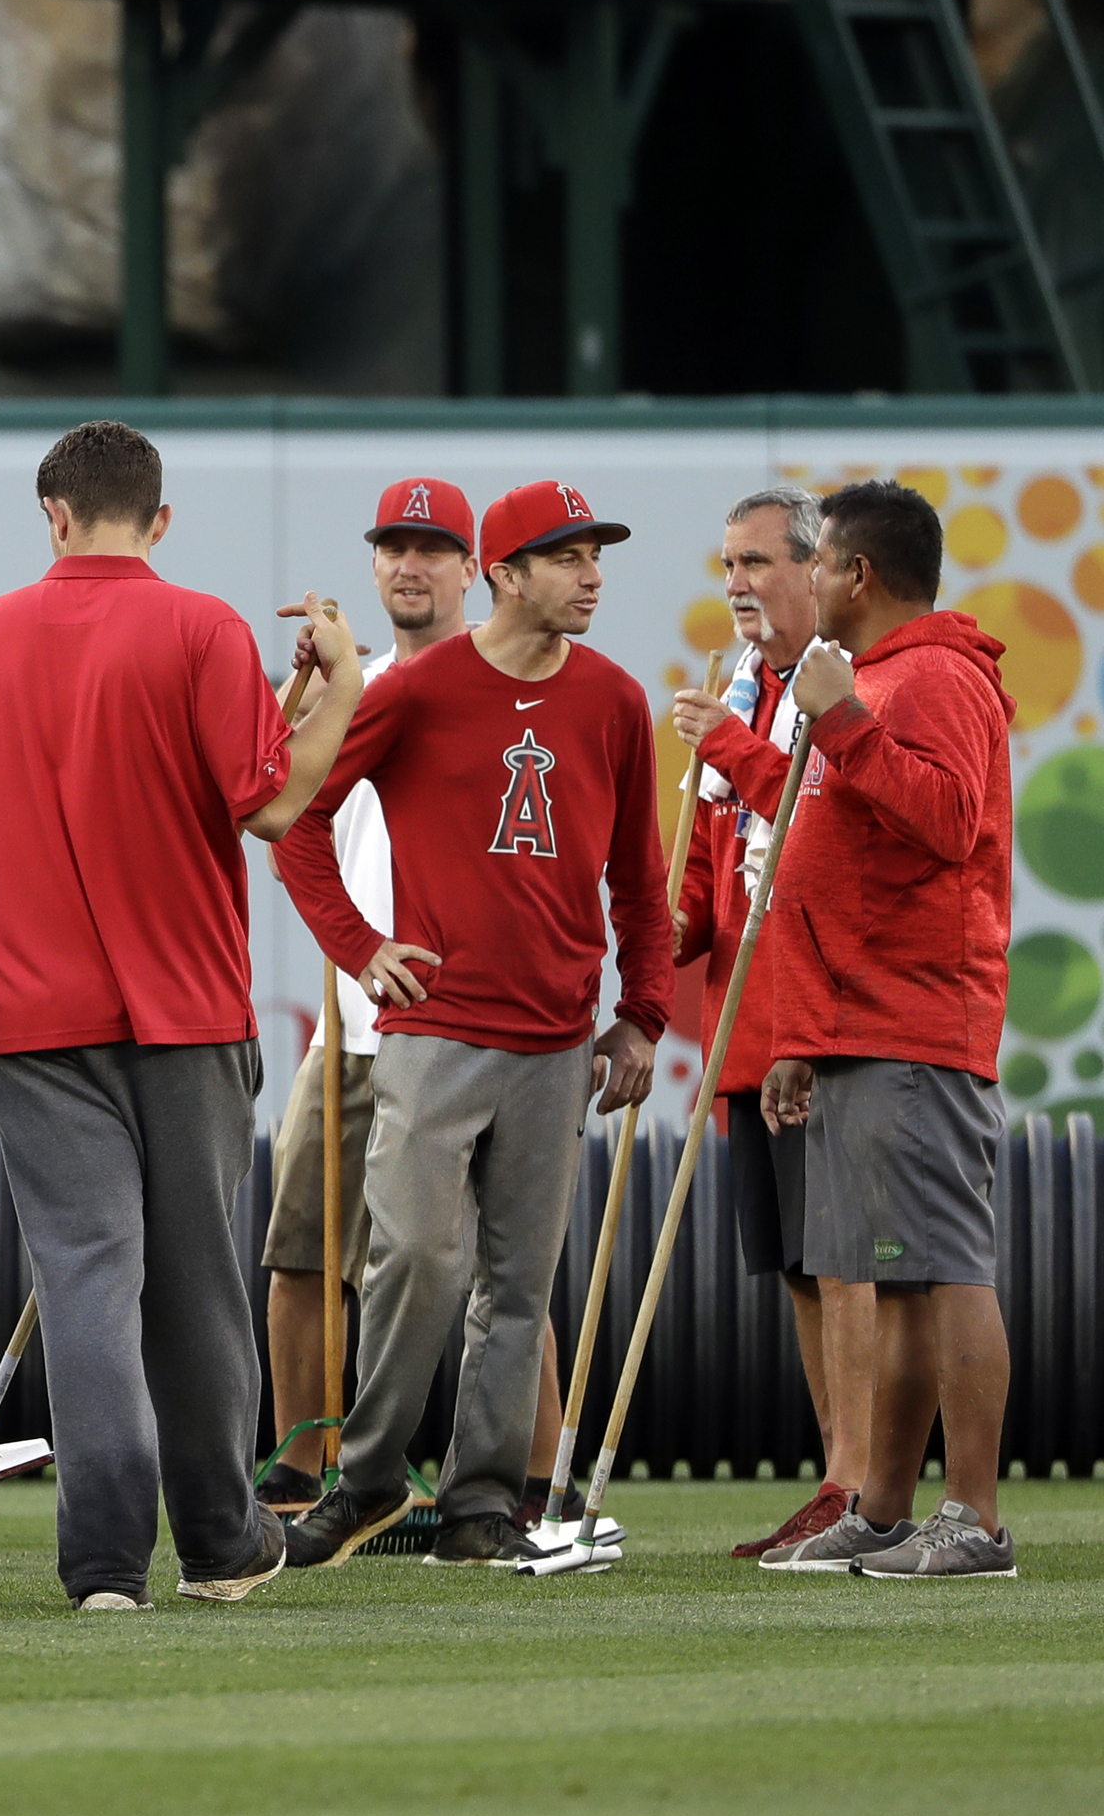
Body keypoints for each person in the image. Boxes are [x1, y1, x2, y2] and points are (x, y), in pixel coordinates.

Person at [0, 419, 362, 1611]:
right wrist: (345, 687)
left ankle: (105, 1563)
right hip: (185, 1009)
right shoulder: (204, 624)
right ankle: (220, 1543)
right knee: (195, 1282)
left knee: (86, 1278)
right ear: (158, 519)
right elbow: (269, 804)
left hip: (34, 1012)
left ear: (52, 514)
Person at [276, 481, 669, 1570]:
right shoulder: (420, 688)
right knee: (414, 1256)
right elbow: (296, 823)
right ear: (503, 574)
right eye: (566, 556)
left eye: (596, 556)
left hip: (558, 1039)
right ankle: (363, 1480)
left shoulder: (615, 699)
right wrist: (361, 948)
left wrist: (640, 1016)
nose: (591, 575)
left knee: (518, 1280)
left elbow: (638, 879)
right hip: (437, 1027)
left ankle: (478, 1504)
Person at [706, 480, 1018, 1580]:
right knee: (892, 1276)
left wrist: (839, 717)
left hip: (917, 1021)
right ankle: (883, 1509)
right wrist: (799, 1031)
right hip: (852, 1025)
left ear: (859, 577)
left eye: (822, 562)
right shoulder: (873, 676)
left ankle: (972, 1515)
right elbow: (823, 858)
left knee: (945, 1269)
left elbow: (944, 820)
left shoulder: (930, 674)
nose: (808, 579)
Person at [667, 487, 845, 1557]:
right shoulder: (745, 684)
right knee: (791, 1264)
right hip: (741, 1022)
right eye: (726, 563)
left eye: (754, 562)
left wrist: (733, 748)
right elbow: (703, 862)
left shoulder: (834, 678)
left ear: (815, 569)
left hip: (814, 1018)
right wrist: (658, 929)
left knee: (841, 1261)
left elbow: (830, 825)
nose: (734, 583)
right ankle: (837, 1470)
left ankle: (860, 1480)